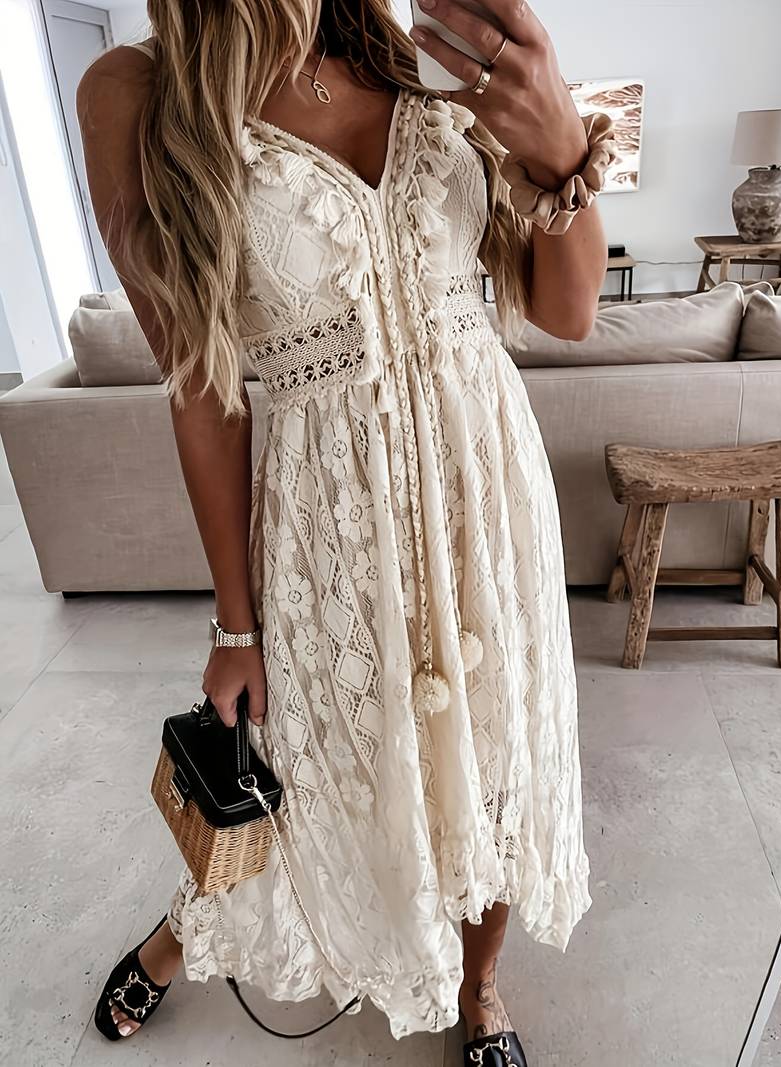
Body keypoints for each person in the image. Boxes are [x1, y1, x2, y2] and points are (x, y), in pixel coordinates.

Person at [76, 0, 609, 1060]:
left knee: (493, 757)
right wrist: (236, 626)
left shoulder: (430, 51)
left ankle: (482, 985)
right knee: (313, 773)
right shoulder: (142, 93)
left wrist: (559, 150)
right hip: (327, 516)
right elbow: (201, 388)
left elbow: (568, 311)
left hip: (486, 496)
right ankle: (189, 929)